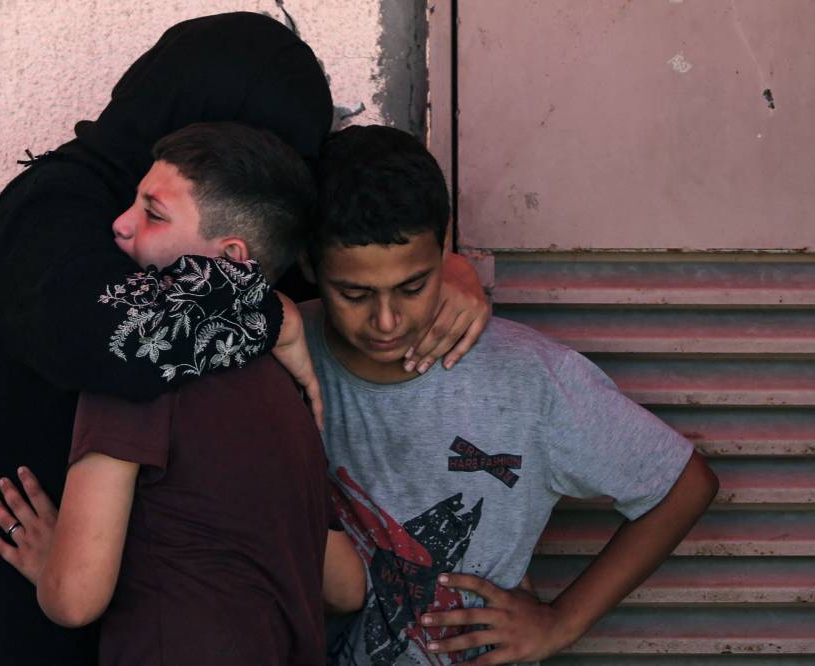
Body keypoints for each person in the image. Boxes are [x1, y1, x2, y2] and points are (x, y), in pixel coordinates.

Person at [0, 12, 487, 665]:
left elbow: (335, 230)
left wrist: (441, 258)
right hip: (23, 627)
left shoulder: (196, 240)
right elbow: (122, 334)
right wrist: (270, 315)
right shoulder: (52, 210)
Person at [297, 125, 720, 665]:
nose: (386, 321)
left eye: (413, 287)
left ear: (445, 244)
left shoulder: (526, 377)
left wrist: (562, 622)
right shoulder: (277, 360)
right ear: (308, 265)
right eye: (354, 293)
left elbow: (684, 484)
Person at [0, 121, 366, 664]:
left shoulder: (135, 370)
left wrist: (53, 562)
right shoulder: (288, 392)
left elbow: (75, 598)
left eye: (154, 213)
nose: (120, 224)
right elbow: (345, 587)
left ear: (232, 260)